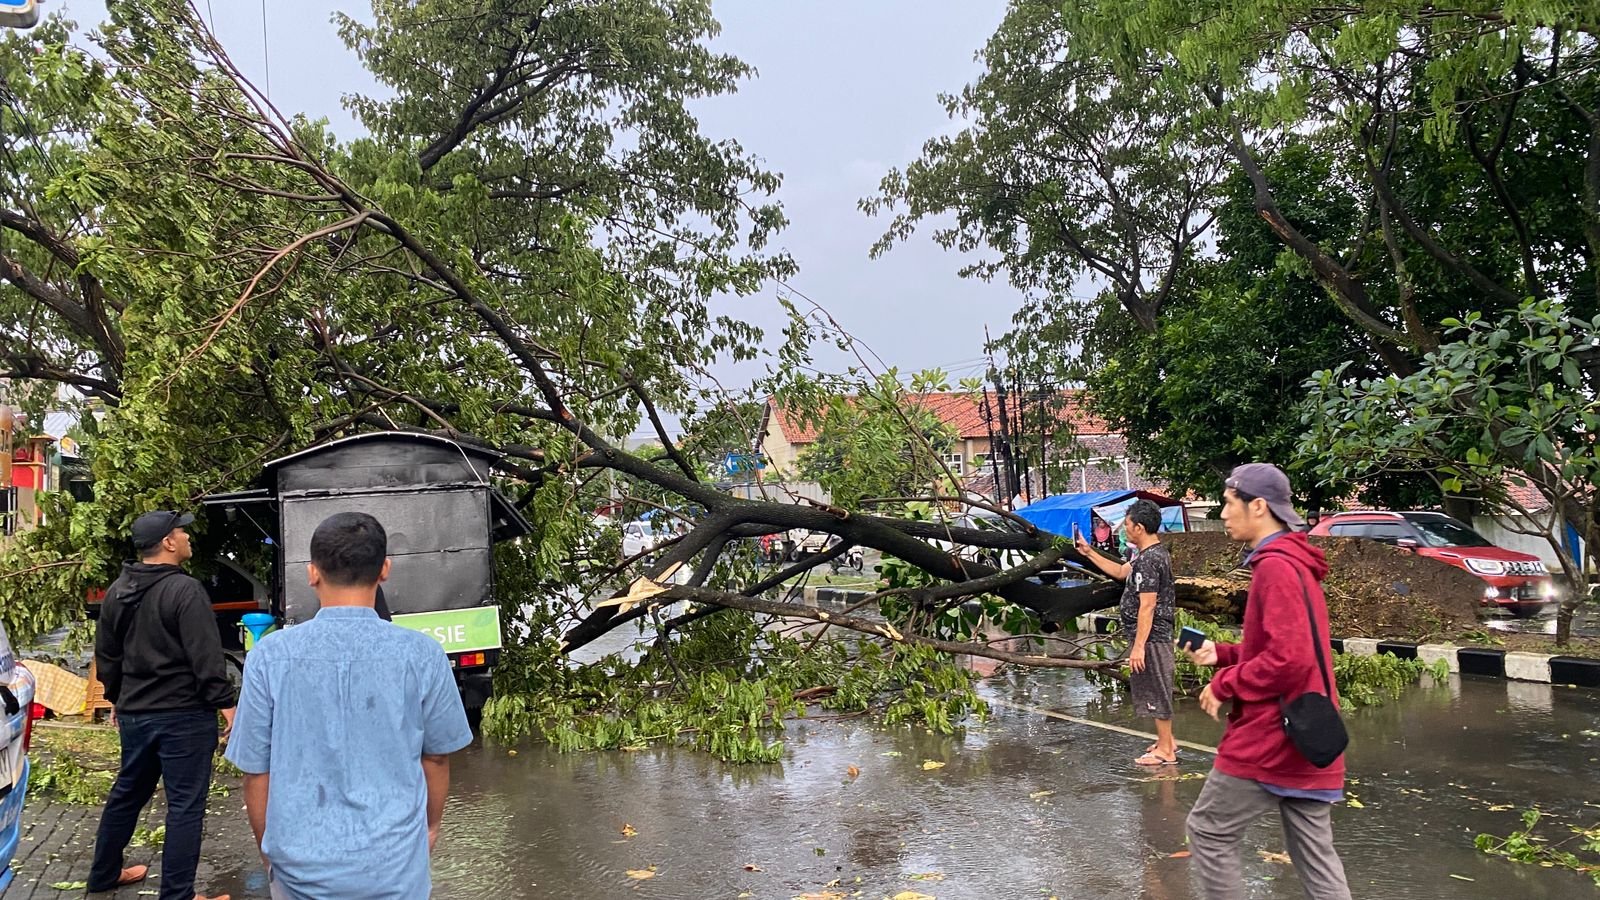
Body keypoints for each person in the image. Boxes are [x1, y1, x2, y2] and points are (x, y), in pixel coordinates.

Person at [225, 512, 472, 899]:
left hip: (299, 869)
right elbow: (436, 758)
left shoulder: (269, 656)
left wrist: (270, 856)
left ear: (312, 573)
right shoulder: (422, 654)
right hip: (395, 868)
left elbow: (257, 773)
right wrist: (429, 830)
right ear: (385, 570)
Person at [1184, 463, 1351, 900]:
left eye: (1227, 503)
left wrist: (1224, 683)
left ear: (1258, 506)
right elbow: (1285, 649)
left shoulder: (1276, 568)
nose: (1222, 513)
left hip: (1272, 735)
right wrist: (1221, 653)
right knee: (1315, 858)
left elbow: (1287, 660)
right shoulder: (1295, 562)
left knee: (1208, 831)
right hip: (1310, 728)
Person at [88, 511, 235, 900]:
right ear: (168, 543)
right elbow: (206, 657)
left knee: (128, 793)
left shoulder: (118, 590)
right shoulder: (185, 591)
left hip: (137, 714)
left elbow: (107, 655)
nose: (188, 537)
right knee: (185, 805)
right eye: (182, 531)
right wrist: (228, 707)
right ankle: (178, 895)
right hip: (183, 716)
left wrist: (119, 698)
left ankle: (102, 875)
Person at [1075, 499, 1179, 766]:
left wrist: (1138, 647)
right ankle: (1166, 741)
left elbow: (1148, 605)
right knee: (1154, 686)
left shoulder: (1150, 560)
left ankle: (1166, 750)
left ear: (1140, 528)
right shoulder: (1146, 555)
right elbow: (1121, 572)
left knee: (1157, 687)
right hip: (1150, 636)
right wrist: (1088, 552)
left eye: (1128, 525)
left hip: (1153, 636)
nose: (1125, 529)